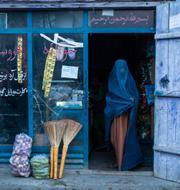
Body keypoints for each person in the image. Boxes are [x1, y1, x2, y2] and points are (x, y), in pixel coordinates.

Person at [104, 59, 142, 170]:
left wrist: (130, 102)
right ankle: (119, 162)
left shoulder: (130, 82)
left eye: (123, 69)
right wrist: (122, 103)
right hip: (115, 117)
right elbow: (111, 97)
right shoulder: (112, 81)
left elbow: (135, 97)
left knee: (124, 140)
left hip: (127, 118)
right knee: (114, 139)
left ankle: (122, 165)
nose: (121, 71)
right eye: (119, 69)